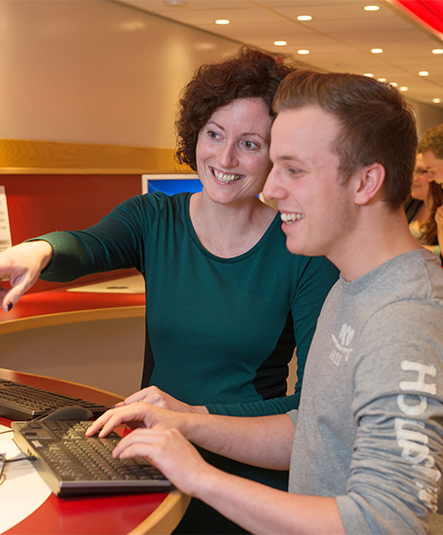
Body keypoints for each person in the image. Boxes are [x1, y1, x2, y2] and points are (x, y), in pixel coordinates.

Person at [0, 48, 338, 533]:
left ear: (276, 154)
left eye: (250, 144)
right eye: (214, 135)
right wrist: (35, 252)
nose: (224, 158)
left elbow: (305, 413)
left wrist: (187, 415)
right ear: (194, 135)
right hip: (150, 462)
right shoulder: (154, 218)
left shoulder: (302, 250)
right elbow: (85, 246)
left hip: (242, 475)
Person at [86, 70, 443, 534]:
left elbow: (386, 522)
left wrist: (202, 479)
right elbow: (308, 429)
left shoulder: (404, 319)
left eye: (294, 170)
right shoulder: (351, 285)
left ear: (365, 182)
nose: (271, 189)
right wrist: (184, 423)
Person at [406, 152, 443, 259]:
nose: (412, 178)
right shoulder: (411, 203)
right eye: (412, 170)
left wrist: (411, 248)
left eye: (420, 172)